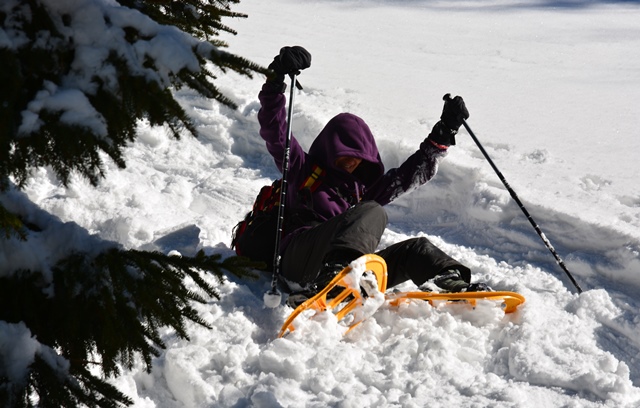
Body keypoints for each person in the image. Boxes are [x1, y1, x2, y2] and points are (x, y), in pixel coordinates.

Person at [248, 46, 489, 307]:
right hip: (299, 258)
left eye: (357, 154)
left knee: (416, 248)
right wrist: (275, 80)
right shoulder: (303, 169)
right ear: (330, 148)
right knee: (372, 211)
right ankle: (338, 278)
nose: (352, 160)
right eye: (344, 153)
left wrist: (442, 136)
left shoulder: (361, 189)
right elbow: (275, 129)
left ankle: (451, 284)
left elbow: (407, 177)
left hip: (346, 266)